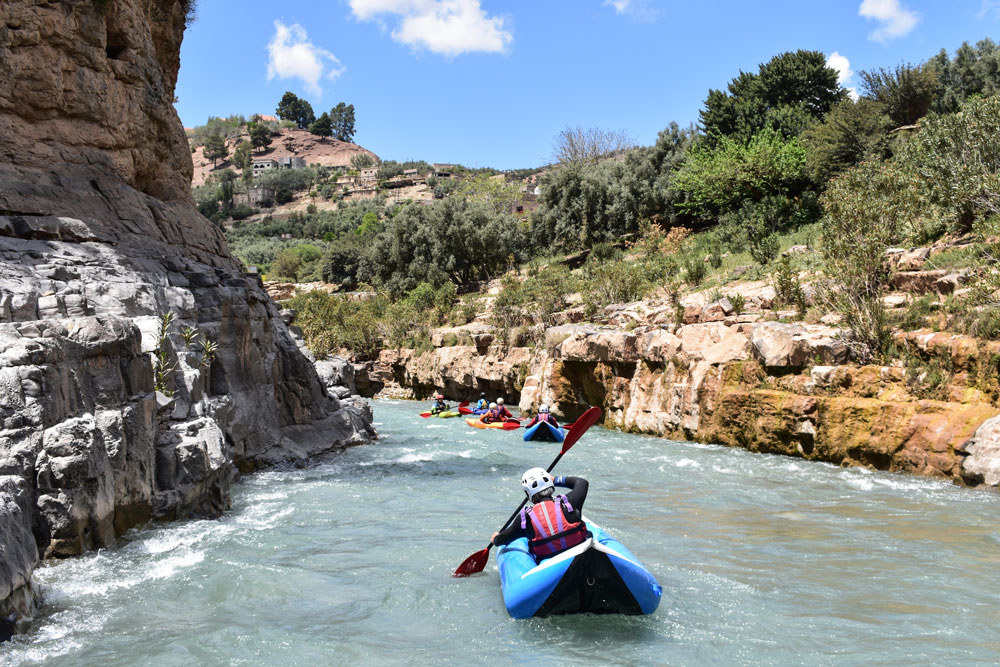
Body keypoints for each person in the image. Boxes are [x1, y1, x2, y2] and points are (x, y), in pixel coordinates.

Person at [491, 468, 589, 561]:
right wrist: (555, 479)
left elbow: (502, 539)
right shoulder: (569, 503)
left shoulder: (525, 519)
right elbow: (582, 483)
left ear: (528, 492)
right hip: (580, 555)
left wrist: (495, 538)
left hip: (552, 568)